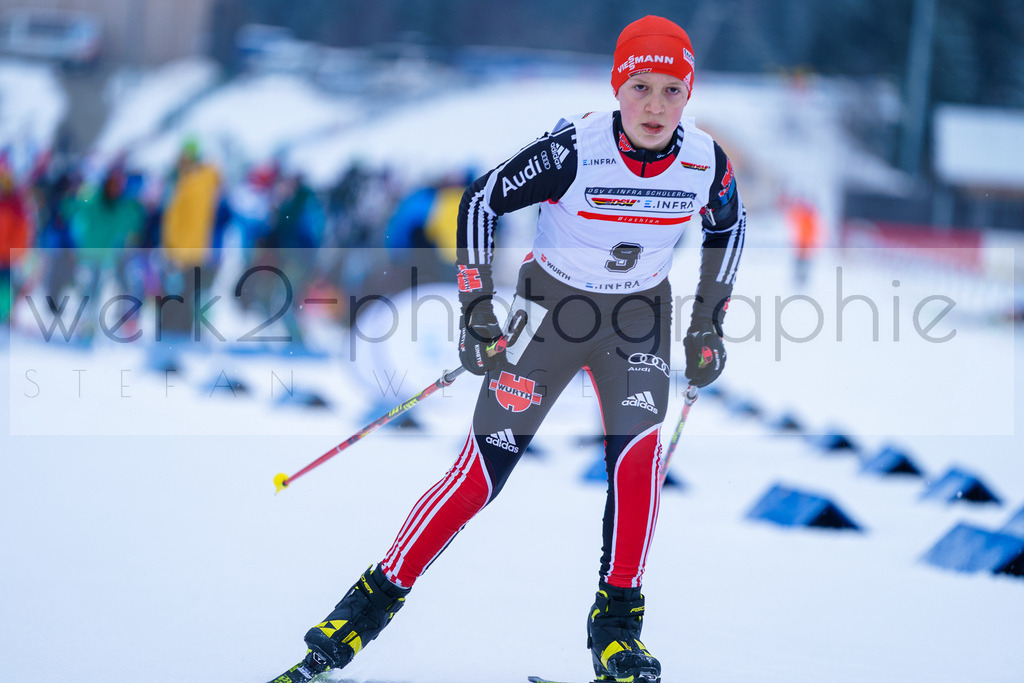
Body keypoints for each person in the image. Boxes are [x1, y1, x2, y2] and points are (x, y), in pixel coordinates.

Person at [270, 15, 746, 683]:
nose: (655, 106)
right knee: (479, 477)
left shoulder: (705, 161)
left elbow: (730, 226)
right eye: (641, 87)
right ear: (618, 85)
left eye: (672, 90)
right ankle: (362, 610)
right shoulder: (576, 150)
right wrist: (476, 310)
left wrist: (707, 324)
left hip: (639, 319)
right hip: (551, 314)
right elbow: (480, 201)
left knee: (638, 464)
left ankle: (617, 629)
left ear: (688, 95)